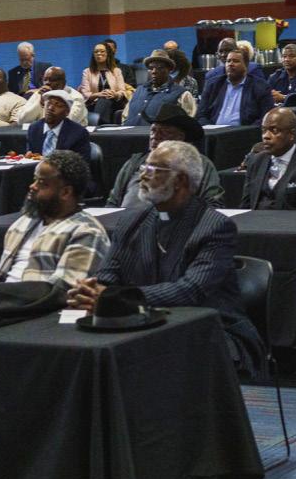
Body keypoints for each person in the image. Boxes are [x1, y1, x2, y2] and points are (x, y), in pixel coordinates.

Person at [70, 141, 263, 376]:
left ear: (180, 180)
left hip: (212, 331)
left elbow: (191, 291)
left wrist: (119, 299)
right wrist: (91, 291)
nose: (142, 175)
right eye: (143, 167)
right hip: (143, 322)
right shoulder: (131, 221)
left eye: (152, 169)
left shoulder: (214, 227)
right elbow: (109, 274)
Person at [0, 151, 110, 286]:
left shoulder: (86, 232)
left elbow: (65, 290)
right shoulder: (25, 221)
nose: (33, 186)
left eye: (42, 183)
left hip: (38, 298)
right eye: (35, 180)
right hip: (2, 294)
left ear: (65, 192)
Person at [108, 104, 224, 208]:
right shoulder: (135, 162)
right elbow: (113, 202)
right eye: (153, 130)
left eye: (164, 132)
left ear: (180, 138)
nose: (155, 136)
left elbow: (213, 204)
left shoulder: (200, 163)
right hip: (125, 221)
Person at [240, 108, 296, 209]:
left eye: (274, 130)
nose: (266, 136)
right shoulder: (256, 162)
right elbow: (245, 206)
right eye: (264, 130)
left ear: (292, 134)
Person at [198, 46, 276, 126]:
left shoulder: (260, 86)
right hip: (215, 132)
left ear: (246, 65)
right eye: (228, 61)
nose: (230, 64)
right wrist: (210, 129)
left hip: (243, 132)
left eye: (235, 61)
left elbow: (266, 117)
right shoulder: (213, 84)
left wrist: (247, 131)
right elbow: (201, 115)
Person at [122, 49, 197, 125]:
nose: (154, 71)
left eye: (160, 67)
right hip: (129, 131)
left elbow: (189, 123)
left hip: (157, 132)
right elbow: (125, 117)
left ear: (169, 70)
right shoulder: (138, 91)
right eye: (151, 68)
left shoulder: (182, 94)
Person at [27, 90, 93, 162]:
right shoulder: (34, 128)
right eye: (48, 103)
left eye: (58, 105)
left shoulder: (78, 133)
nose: (50, 108)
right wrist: (28, 156)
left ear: (67, 112)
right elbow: (32, 155)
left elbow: (81, 164)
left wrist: (49, 162)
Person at [16, 65, 89, 125]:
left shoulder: (76, 97)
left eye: (52, 80)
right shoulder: (39, 94)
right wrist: (41, 102)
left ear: (63, 82)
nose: (47, 83)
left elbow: (68, 122)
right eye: (45, 79)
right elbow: (21, 120)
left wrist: (49, 102)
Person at [79, 41, 130, 121]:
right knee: (103, 100)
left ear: (108, 54)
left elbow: (122, 91)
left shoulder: (116, 71)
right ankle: (102, 124)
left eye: (102, 51)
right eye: (96, 52)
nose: (99, 53)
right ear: (93, 55)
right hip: (93, 104)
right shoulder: (87, 72)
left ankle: (98, 124)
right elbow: (85, 93)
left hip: (114, 103)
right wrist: (99, 94)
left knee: (105, 100)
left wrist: (115, 94)